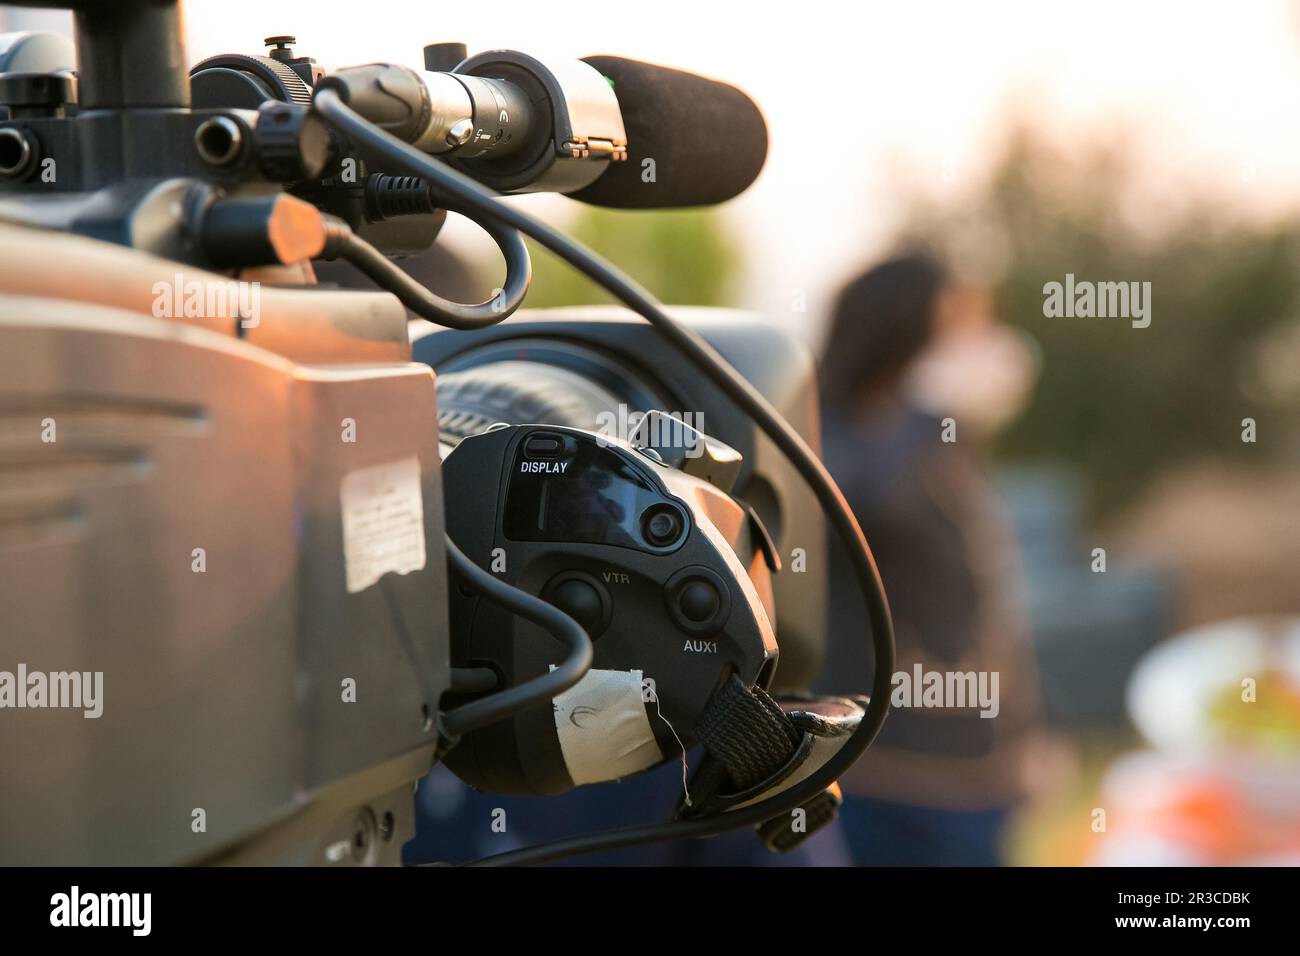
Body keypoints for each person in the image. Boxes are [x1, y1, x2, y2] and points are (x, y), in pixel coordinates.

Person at [816, 251, 1046, 866]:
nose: (981, 342)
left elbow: (987, 601)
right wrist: (922, 413)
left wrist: (1031, 730)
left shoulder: (949, 442)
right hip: (884, 771)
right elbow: (858, 511)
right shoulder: (829, 434)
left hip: (975, 764)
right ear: (905, 329)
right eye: (962, 322)